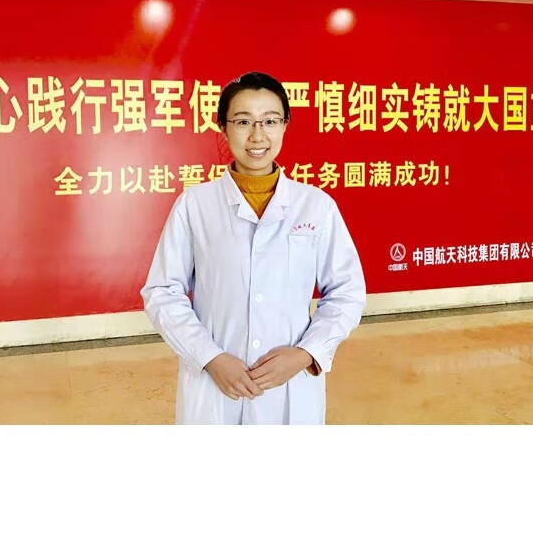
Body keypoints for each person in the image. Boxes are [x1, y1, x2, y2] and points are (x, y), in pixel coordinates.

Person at [141, 71, 366, 424]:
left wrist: (305, 354)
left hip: (290, 386)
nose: (257, 135)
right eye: (243, 121)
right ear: (223, 127)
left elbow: (347, 292)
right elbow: (162, 292)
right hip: (215, 386)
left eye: (270, 121)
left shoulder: (316, 206)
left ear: (285, 125)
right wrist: (210, 357)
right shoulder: (195, 205)